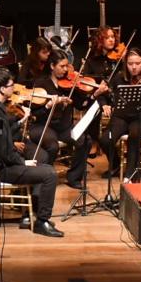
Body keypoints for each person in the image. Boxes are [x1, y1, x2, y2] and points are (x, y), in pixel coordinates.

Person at [0, 67, 63, 237]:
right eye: (11, 85)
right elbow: (2, 151)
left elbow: (4, 141)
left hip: (5, 163)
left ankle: (33, 215)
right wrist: (22, 162)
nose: (14, 88)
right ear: (2, 89)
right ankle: (42, 221)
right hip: (1, 169)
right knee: (49, 174)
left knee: (42, 164)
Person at [29, 50, 109, 189]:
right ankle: (44, 179)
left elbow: (81, 104)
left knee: (85, 141)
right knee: (52, 146)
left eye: (67, 66)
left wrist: (95, 94)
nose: (66, 70)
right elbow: (35, 113)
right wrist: (49, 105)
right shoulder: (41, 84)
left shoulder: (69, 84)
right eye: (62, 66)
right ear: (52, 66)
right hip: (44, 126)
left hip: (63, 127)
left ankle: (73, 177)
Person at [98, 47, 141, 183]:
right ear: (126, 64)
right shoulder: (119, 77)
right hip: (122, 116)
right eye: (130, 64)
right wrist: (104, 104)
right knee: (105, 139)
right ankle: (115, 165)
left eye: (138, 63)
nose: (134, 67)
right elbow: (103, 94)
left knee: (135, 133)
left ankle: (131, 174)